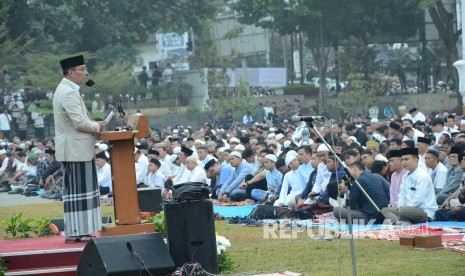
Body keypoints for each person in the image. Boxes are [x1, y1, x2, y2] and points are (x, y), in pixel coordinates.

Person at [53, 55, 106, 242]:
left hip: (76, 149)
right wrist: (97, 125)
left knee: (80, 192)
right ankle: (77, 231)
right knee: (79, 192)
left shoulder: (67, 89)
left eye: (85, 69)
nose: (86, 73)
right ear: (71, 72)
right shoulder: (68, 92)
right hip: (76, 149)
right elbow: (79, 123)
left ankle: (80, 230)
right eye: (82, 69)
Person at [381, 147, 437, 224]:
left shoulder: (422, 175)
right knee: (385, 210)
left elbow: (418, 199)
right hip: (407, 210)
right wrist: (400, 207)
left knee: (402, 210)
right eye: (402, 160)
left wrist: (403, 209)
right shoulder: (406, 176)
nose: (403, 162)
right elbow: (402, 195)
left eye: (406, 159)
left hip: (424, 211)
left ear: (416, 160)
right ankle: (399, 222)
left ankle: (402, 220)